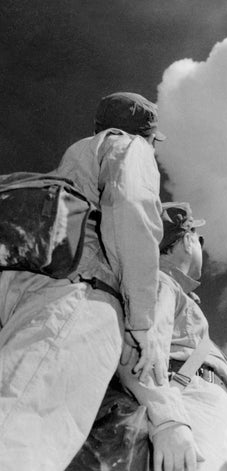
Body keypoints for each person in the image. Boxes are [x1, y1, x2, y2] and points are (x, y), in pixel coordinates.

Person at [0, 92, 168, 470]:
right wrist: (142, 322)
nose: (155, 148)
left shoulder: (78, 154)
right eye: (155, 140)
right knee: (24, 433)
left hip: (30, 285)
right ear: (145, 134)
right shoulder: (128, 146)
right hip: (81, 293)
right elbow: (133, 210)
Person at [118, 202, 227, 471]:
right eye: (198, 238)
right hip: (188, 403)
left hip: (199, 407)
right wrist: (168, 421)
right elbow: (142, 355)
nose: (200, 244)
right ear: (187, 241)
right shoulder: (161, 283)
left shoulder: (171, 290)